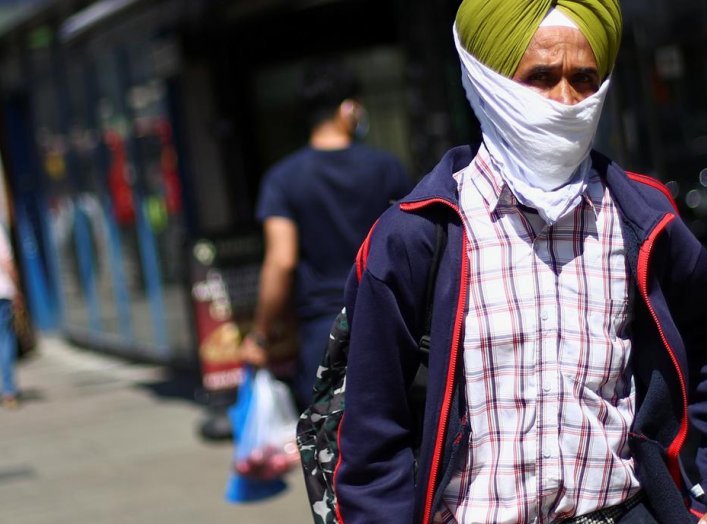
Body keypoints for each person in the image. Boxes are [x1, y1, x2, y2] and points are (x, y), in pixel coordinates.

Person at [334, 1, 707, 523]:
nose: (565, 101)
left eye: (583, 79)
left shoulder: (642, 220)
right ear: (486, 80)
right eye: (540, 77)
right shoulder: (416, 239)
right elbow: (373, 446)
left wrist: (697, 494)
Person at [240, 59, 412, 411]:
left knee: (330, 448)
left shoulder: (284, 179)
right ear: (348, 108)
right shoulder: (386, 168)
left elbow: (281, 260)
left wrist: (260, 335)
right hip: (386, 322)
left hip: (324, 331)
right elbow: (409, 246)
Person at [0, 223, 20, 410]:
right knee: (5, 341)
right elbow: (6, 262)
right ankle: (8, 391)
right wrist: (17, 290)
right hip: (2, 294)